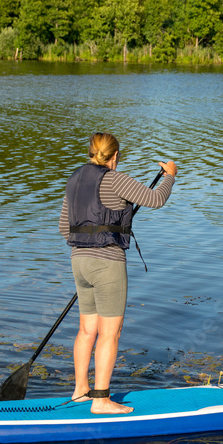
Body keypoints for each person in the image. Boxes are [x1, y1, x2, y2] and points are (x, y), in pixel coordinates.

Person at [59, 132, 177, 414]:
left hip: (79, 261)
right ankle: (100, 400)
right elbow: (156, 198)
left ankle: (80, 391)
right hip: (107, 263)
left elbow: (65, 228)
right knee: (110, 333)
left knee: (87, 330)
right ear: (115, 157)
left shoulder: (74, 179)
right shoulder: (115, 179)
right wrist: (170, 175)